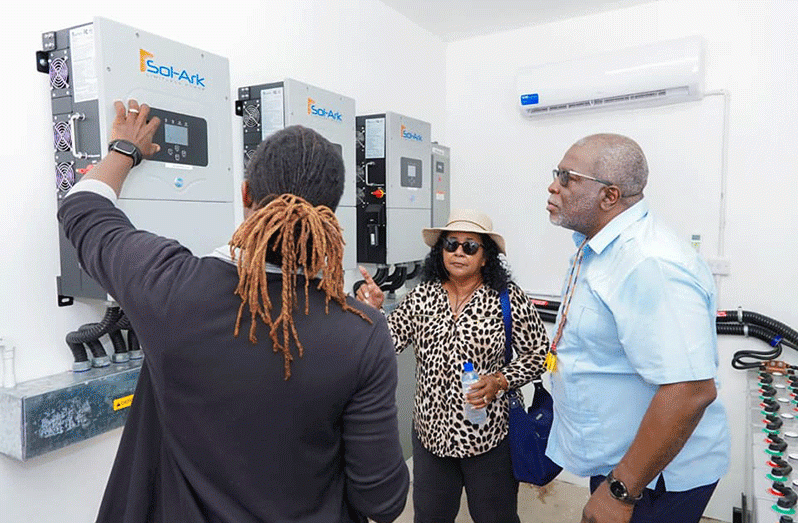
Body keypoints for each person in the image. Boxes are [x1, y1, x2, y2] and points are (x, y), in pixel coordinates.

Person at [57, 99, 409, 522]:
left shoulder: (168, 288)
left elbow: (82, 208)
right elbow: (382, 503)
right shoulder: (363, 333)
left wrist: (124, 149)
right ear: (329, 217)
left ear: (245, 195)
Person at [544, 133, 730, 523]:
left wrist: (620, 491)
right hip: (621, 461)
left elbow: (691, 390)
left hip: (651, 479)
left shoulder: (649, 263)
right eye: (556, 173)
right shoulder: (597, 247)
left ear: (610, 196)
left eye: (567, 176)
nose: (553, 185)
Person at [356, 209, 549, 523]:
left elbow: (541, 355)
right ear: (440, 251)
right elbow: (386, 346)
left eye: (470, 246)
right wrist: (374, 314)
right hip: (431, 440)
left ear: (486, 257)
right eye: (451, 244)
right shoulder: (421, 297)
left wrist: (500, 380)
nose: (459, 252)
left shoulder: (507, 299)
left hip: (487, 438)